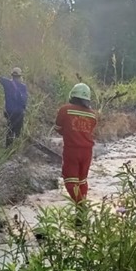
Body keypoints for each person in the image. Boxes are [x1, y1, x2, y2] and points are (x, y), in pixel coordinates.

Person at [55, 83, 97, 226]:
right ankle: (80, 213)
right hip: (87, 151)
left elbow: (58, 128)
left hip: (72, 150)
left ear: (73, 95)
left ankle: (81, 207)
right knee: (82, 181)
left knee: (70, 180)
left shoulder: (65, 110)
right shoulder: (92, 114)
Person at [0, 66, 28, 147]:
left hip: (9, 112)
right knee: (17, 132)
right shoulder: (23, 87)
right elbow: (25, 101)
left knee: (10, 131)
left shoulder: (7, 83)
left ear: (12, 75)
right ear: (20, 76)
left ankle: (8, 148)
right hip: (19, 113)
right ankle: (15, 149)